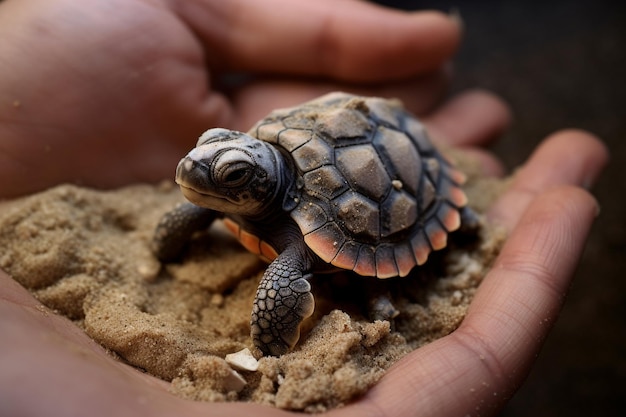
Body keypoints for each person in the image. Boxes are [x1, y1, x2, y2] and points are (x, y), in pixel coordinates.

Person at [0, 0, 608, 416]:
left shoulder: (294, 246)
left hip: (394, 172)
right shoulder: (232, 191)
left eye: (231, 175)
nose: (196, 171)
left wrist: (266, 352)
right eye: (210, 153)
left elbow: (286, 271)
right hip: (328, 154)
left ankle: (456, 212)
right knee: (191, 213)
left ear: (259, 188)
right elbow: (197, 203)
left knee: (285, 279)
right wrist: (173, 233)